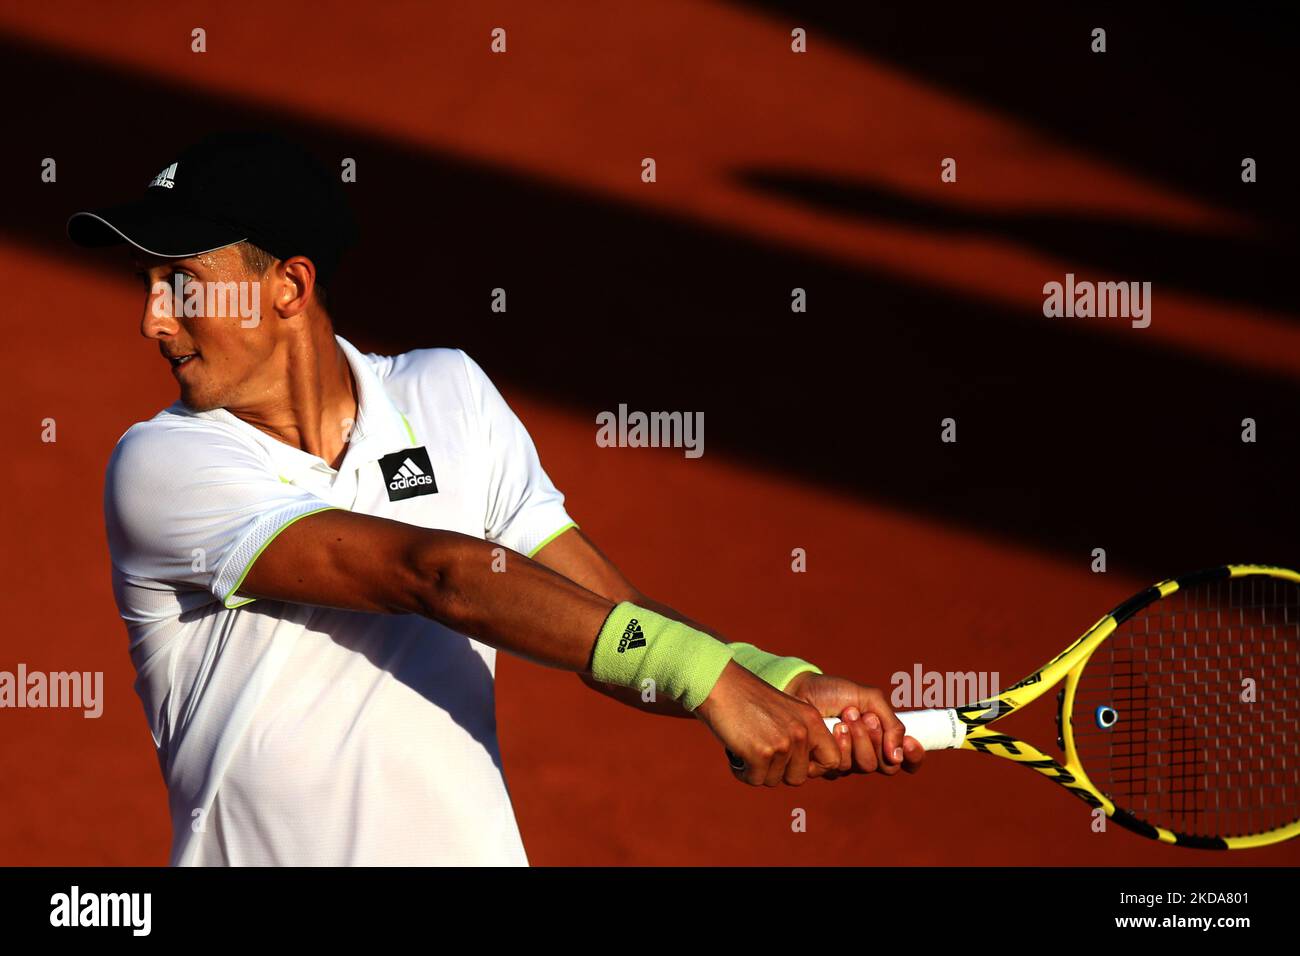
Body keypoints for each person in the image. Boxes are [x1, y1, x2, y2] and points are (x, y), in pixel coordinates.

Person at [69, 131, 923, 866]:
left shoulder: (449, 393)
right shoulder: (161, 467)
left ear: (288, 286)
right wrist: (711, 687)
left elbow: (604, 607)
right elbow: (435, 575)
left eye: (179, 282)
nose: (153, 319)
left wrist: (769, 678)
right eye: (147, 285)